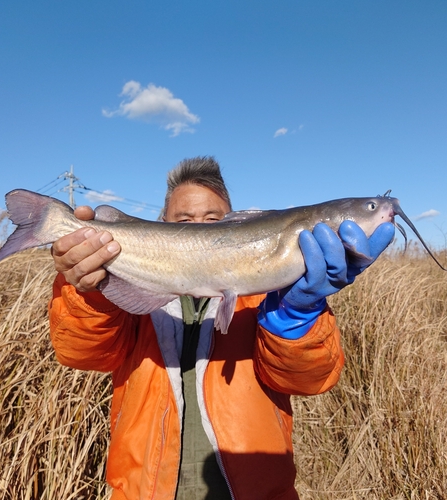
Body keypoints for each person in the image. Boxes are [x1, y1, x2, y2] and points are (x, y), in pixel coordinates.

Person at [48, 157, 394, 500]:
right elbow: (82, 354)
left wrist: (295, 317)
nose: (199, 226)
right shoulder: (131, 292)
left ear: (235, 221)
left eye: (212, 218)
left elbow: (308, 381)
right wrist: (89, 291)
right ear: (162, 223)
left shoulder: (268, 296)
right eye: (184, 219)